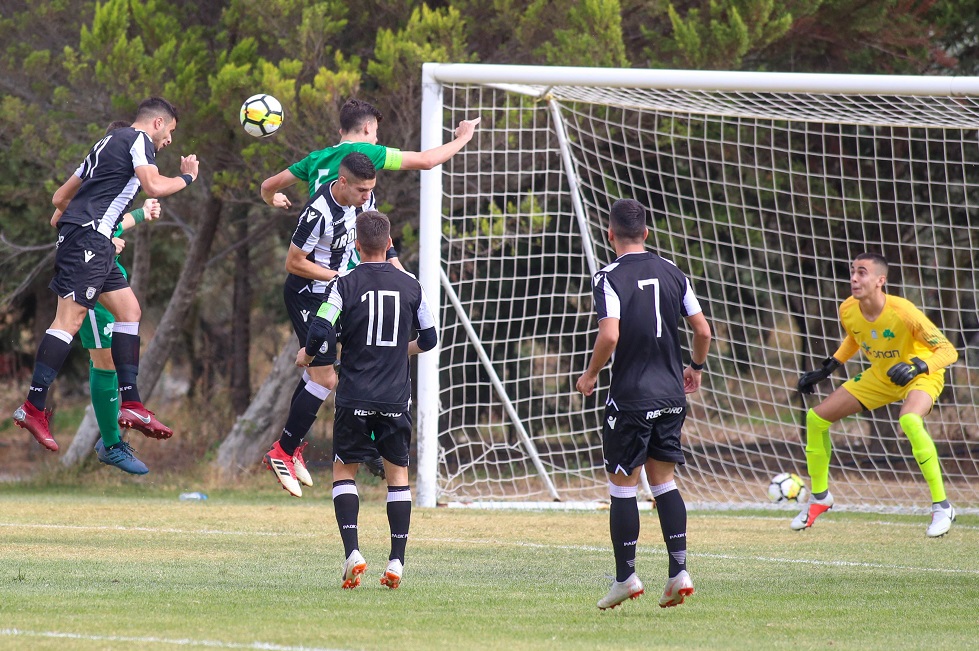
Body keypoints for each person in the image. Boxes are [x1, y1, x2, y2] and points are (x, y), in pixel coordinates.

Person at [12, 97, 198, 452]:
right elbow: (155, 186)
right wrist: (187, 176)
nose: (170, 141)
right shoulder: (139, 141)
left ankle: (132, 404)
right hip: (89, 240)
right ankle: (33, 408)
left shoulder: (105, 143)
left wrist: (81, 221)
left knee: (130, 311)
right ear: (157, 123)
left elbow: (59, 198)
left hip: (92, 240)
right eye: (171, 131)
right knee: (68, 320)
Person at [575, 199, 712, 611]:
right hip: (672, 396)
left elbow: (610, 335)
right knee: (664, 483)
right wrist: (696, 367)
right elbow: (703, 330)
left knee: (622, 487)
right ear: (647, 234)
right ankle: (679, 571)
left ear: (610, 234)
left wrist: (591, 374)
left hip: (632, 398)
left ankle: (626, 577)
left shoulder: (608, 276)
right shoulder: (673, 271)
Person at [297, 210, 437, 590]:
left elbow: (322, 328)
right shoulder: (412, 285)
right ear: (389, 243)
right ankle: (397, 561)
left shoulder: (344, 283)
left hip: (354, 396)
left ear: (356, 246)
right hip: (395, 399)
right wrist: (397, 352)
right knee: (398, 478)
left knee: (344, 472)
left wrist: (308, 357)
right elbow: (429, 339)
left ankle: (353, 553)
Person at [795, 252, 959, 537]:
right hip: (881, 375)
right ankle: (820, 497)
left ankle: (942, 507)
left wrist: (918, 365)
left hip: (921, 373)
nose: (854, 278)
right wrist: (828, 368)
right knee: (816, 418)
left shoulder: (903, 310)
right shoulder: (847, 309)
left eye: (862, 272)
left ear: (880, 281)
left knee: (909, 420)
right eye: (852, 271)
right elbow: (855, 337)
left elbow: (948, 351)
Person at [264, 152, 397, 496]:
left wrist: (396, 273)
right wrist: (338, 277)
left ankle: (289, 449)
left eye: (371, 190)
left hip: (334, 295)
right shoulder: (317, 213)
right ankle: (281, 453)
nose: (367, 197)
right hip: (307, 295)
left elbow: (382, 237)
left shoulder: (365, 201)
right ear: (342, 183)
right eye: (362, 190)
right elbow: (293, 263)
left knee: (323, 374)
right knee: (325, 376)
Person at [259, 97, 479, 210]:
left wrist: (272, 199)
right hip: (344, 260)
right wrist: (464, 138)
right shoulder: (368, 152)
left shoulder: (314, 158)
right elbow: (427, 160)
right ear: (366, 128)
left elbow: (268, 185)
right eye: (375, 130)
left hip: (313, 252)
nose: (377, 138)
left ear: (340, 132)